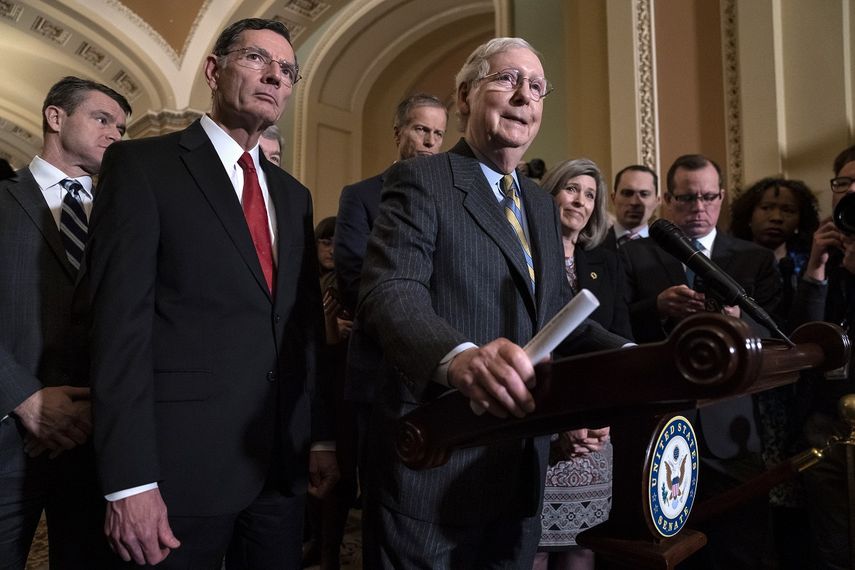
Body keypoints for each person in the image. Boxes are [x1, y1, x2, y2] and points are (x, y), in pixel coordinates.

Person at [357, 37, 628, 568]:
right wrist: (458, 357)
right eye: (506, 80)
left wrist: (637, 356)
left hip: (520, 466)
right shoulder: (422, 179)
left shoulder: (540, 205)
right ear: (464, 96)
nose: (524, 95)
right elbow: (390, 291)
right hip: (438, 459)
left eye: (536, 86)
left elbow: (557, 314)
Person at [82, 18, 338, 569]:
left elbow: (303, 330)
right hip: (178, 470)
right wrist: (128, 482)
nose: (275, 76)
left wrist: (319, 437)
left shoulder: (293, 197)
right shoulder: (143, 167)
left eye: (287, 70)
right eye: (256, 60)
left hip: (277, 468)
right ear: (213, 69)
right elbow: (117, 332)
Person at [620, 154, 781, 569]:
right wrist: (655, 307)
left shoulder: (754, 258)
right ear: (669, 201)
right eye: (687, 198)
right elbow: (614, 326)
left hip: (731, 427)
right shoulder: (633, 255)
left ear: (722, 197)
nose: (699, 208)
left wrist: (737, 322)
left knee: (741, 547)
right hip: (660, 424)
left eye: (708, 197)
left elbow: (780, 336)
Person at [0, 76, 130, 569]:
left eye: (121, 126)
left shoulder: (125, 213)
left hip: (95, 437)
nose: (115, 134)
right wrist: (24, 398)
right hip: (10, 436)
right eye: (102, 119)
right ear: (56, 118)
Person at [333, 93, 447, 559]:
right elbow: (352, 277)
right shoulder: (360, 196)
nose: (429, 142)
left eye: (439, 134)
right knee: (383, 500)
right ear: (398, 132)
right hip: (379, 372)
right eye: (421, 130)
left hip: (440, 371)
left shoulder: (451, 200)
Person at [535, 158, 633, 570]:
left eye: (590, 194)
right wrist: (556, 422)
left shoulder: (605, 263)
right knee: (532, 549)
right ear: (550, 193)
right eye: (571, 188)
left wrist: (604, 415)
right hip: (539, 417)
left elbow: (620, 338)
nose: (580, 200)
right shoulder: (528, 256)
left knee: (582, 547)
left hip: (596, 424)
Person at [729, 177, 819, 569]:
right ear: (750, 215)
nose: (777, 217)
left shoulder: (812, 259)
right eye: (767, 208)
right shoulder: (733, 257)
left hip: (803, 392)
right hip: (755, 390)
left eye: (787, 210)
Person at [790, 144, 855, 569]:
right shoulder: (817, 247)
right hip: (826, 421)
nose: (850, 190)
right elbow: (800, 339)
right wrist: (816, 268)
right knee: (832, 543)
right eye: (843, 182)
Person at [303, 216, 354, 570]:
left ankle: (328, 551)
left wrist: (332, 332)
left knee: (336, 477)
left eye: (337, 243)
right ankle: (315, 542)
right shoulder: (306, 280)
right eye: (325, 242)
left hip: (336, 389)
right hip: (304, 386)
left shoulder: (343, 285)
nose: (331, 249)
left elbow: (335, 350)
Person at [602, 164, 660, 250]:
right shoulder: (592, 246)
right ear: (613, 198)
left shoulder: (668, 250)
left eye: (644, 194)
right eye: (627, 193)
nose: (634, 202)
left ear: (657, 201)